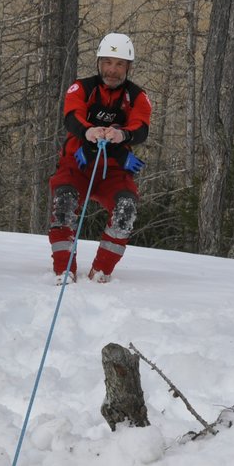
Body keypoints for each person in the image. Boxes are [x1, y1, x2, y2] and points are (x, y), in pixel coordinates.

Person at [47, 33, 152, 284]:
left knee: (126, 208)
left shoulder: (137, 96)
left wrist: (122, 134)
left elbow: (141, 128)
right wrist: (88, 131)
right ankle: (64, 269)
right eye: (107, 62)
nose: (112, 70)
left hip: (115, 169)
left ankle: (102, 269)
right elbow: (72, 116)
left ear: (128, 67)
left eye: (119, 64)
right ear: (98, 62)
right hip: (77, 164)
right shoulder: (82, 87)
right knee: (63, 204)